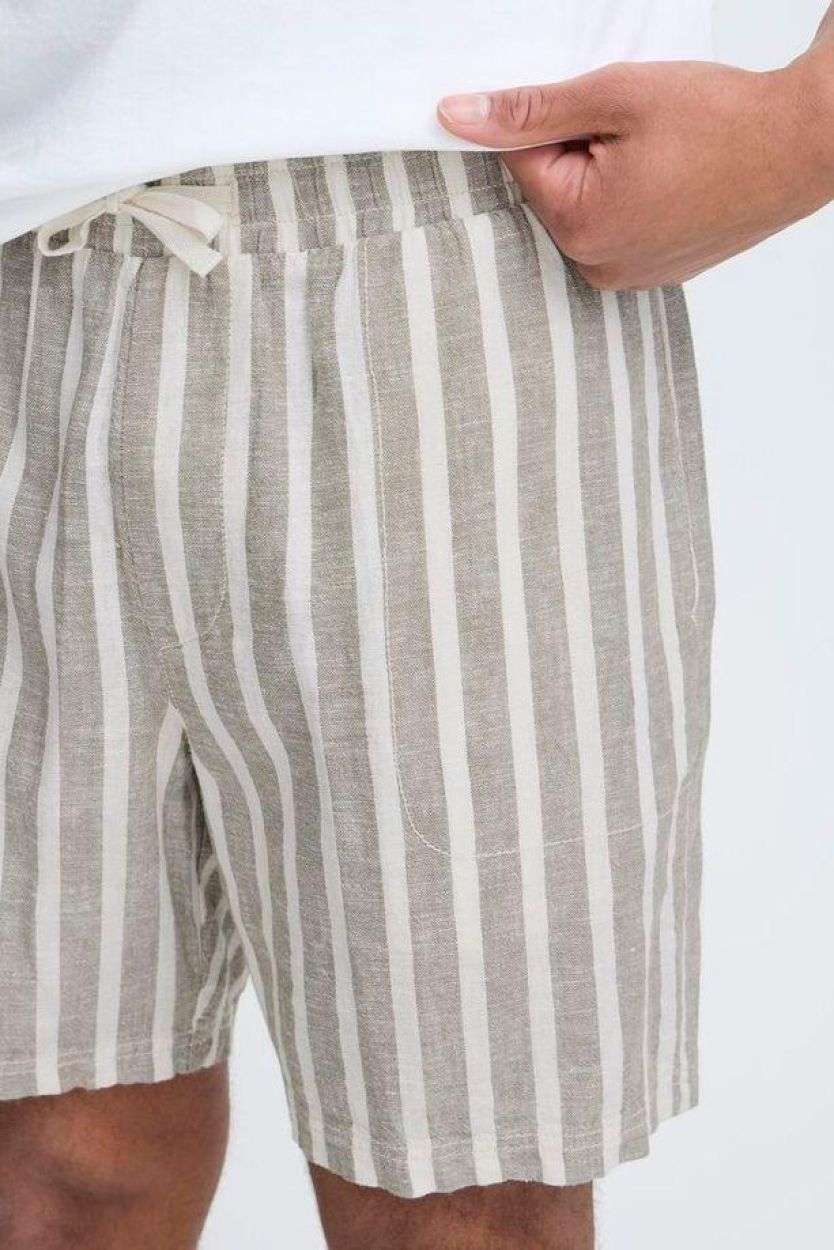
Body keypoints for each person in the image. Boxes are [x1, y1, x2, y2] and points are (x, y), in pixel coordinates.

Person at [0, 3, 830, 1247]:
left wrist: (812, 121)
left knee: (466, 1192)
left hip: (458, 259)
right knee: (52, 1167)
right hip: (23, 262)